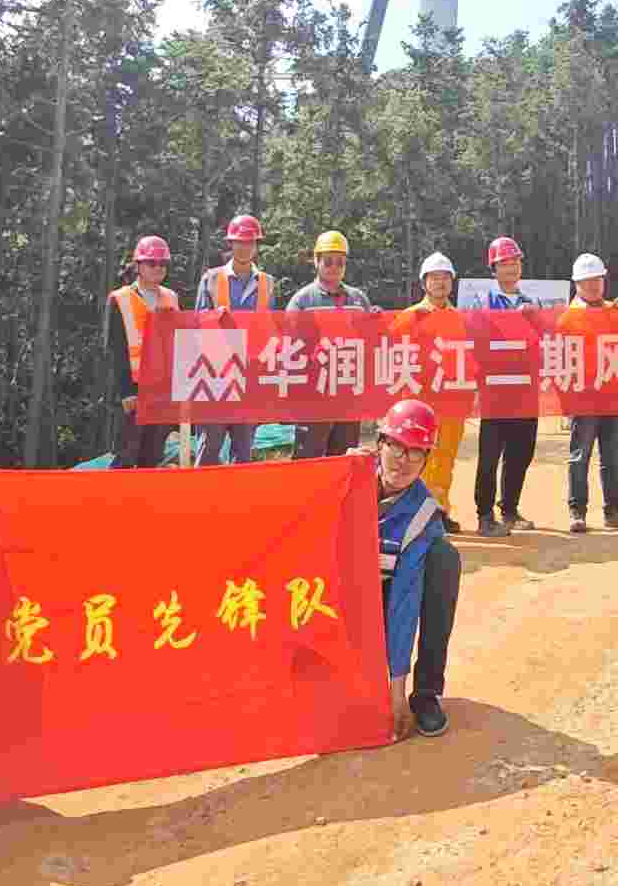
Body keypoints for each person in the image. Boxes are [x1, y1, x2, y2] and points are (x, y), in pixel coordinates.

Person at [371, 399, 460, 739]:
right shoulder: (348, 477)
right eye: (396, 446)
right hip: (339, 602)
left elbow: (403, 605)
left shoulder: (422, 516)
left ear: (426, 460)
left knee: (444, 558)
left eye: (416, 452)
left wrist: (396, 693)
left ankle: (426, 693)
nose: (403, 460)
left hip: (385, 599)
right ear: (380, 444)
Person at [189, 213, 274, 467]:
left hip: (250, 377)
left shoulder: (267, 283)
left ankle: (239, 493)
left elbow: (270, 329)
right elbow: (197, 324)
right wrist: (214, 318)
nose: (245, 247)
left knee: (243, 451)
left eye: (250, 242)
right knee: (209, 448)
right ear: (231, 243)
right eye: (240, 242)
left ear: (256, 245)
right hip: (216, 376)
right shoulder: (212, 278)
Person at [563, 252, 618, 533]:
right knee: (579, 456)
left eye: (597, 279)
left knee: (611, 457)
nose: (594, 286)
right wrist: (565, 402)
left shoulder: (615, 310)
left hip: (612, 396)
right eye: (587, 281)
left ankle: (613, 510)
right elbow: (559, 359)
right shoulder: (567, 318)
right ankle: (577, 511)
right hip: (583, 399)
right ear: (577, 284)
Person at [472, 235, 541, 537]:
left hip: (525, 392)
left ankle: (510, 510)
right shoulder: (483, 302)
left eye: (515, 263)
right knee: (489, 456)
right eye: (504, 263)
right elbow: (474, 340)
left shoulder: (531, 303)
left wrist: (534, 320)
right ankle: (485, 515)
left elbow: (544, 341)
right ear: (494, 268)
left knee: (520, 453)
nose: (511, 268)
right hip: (495, 392)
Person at [285, 229, 370, 459]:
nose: (334, 267)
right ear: (316, 261)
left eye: (340, 262)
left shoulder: (359, 300)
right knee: (308, 458)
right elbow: (289, 346)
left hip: (348, 393)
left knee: (343, 456)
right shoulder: (302, 300)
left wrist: (377, 322)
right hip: (314, 395)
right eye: (328, 261)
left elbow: (370, 343)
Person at [399, 252, 468, 531]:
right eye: (434, 277)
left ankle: (439, 510)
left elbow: (469, 358)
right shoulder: (409, 317)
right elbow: (389, 352)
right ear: (424, 282)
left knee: (445, 457)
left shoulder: (461, 318)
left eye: (445, 277)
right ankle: (414, 515)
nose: (440, 282)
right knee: (418, 458)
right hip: (420, 401)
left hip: (452, 400)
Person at [107, 236, 181, 469]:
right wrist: (126, 391)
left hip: (162, 389)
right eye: (152, 262)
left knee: (152, 455)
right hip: (134, 391)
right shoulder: (120, 299)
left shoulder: (171, 298)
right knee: (126, 454)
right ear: (138, 265)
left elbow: (179, 342)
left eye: (163, 263)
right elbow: (116, 349)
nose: (158, 268)